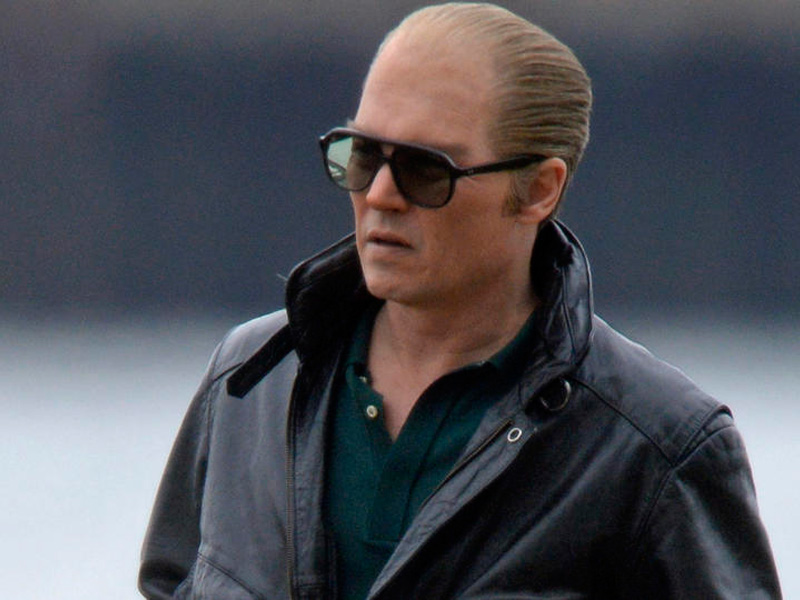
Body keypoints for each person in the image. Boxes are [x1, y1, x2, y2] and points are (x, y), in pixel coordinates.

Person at [138, 3, 782, 598]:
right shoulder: (250, 382)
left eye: (425, 170)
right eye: (362, 156)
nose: (380, 195)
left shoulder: (657, 450)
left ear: (539, 190)